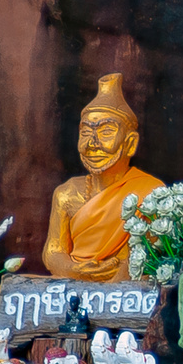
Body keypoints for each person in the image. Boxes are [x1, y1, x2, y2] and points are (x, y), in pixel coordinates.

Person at [42, 74, 164, 281]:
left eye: (106, 131)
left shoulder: (150, 192)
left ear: (131, 143)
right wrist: (75, 270)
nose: (93, 142)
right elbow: (53, 252)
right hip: (76, 289)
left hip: (123, 295)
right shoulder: (67, 194)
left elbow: (155, 254)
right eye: (86, 132)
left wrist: (119, 279)